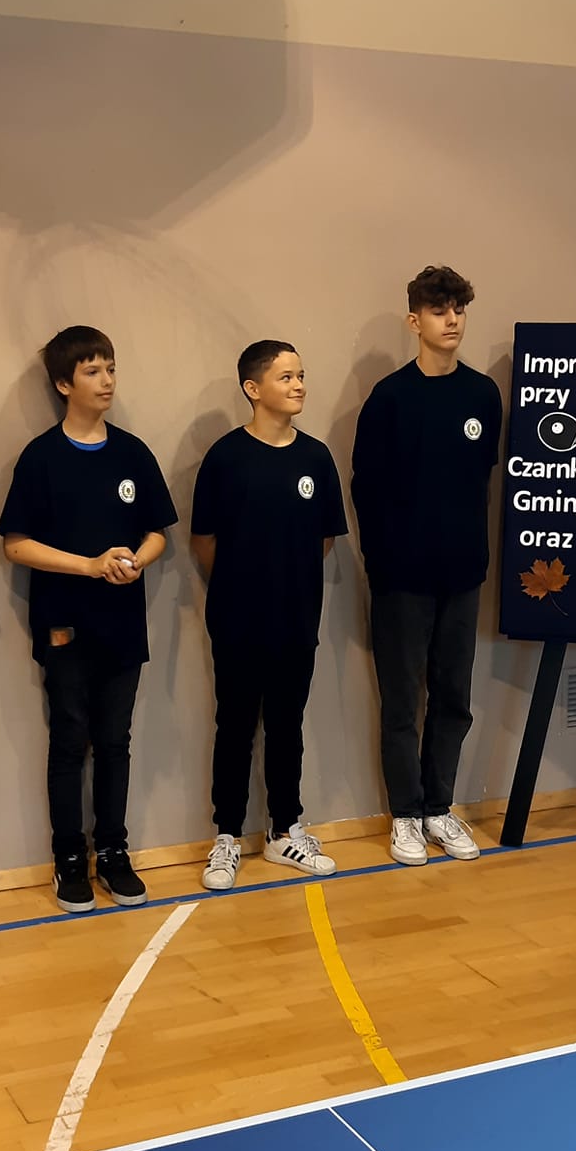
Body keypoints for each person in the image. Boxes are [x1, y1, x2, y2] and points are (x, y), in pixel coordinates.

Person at [0, 326, 176, 914]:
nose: (106, 381)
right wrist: (89, 566)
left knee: (115, 741)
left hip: (122, 624)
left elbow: (157, 534)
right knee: (70, 740)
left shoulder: (132, 453)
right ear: (63, 383)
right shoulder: (42, 457)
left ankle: (114, 853)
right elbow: (16, 545)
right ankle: (69, 860)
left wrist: (135, 560)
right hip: (64, 623)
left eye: (111, 368)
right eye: (93, 371)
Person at [350, 266, 502, 867]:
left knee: (453, 698)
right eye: (440, 310)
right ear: (415, 321)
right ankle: (406, 816)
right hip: (401, 579)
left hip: (461, 575)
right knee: (400, 703)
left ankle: (440, 808)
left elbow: (481, 478)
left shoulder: (482, 395)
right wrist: (383, 563)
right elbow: (365, 488)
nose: (452, 320)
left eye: (459, 309)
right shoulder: (390, 397)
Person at [190, 340, 350, 890]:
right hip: (236, 619)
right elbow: (204, 541)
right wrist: (244, 583)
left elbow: (324, 539)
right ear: (253, 389)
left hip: (296, 619)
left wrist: (287, 582)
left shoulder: (316, 458)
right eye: (286, 377)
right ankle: (227, 837)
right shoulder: (225, 457)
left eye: (301, 375)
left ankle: (285, 831)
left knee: (287, 725)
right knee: (235, 726)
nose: (299, 385)